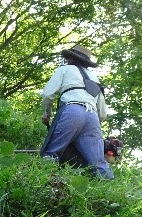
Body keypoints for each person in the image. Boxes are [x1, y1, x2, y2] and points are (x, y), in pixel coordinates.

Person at [39, 45, 114, 179]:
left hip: (71, 111)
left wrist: (47, 113)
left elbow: (47, 94)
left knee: (51, 153)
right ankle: (112, 192)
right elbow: (102, 113)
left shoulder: (65, 69)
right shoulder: (95, 78)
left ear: (69, 58)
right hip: (92, 118)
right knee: (99, 163)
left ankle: (45, 182)